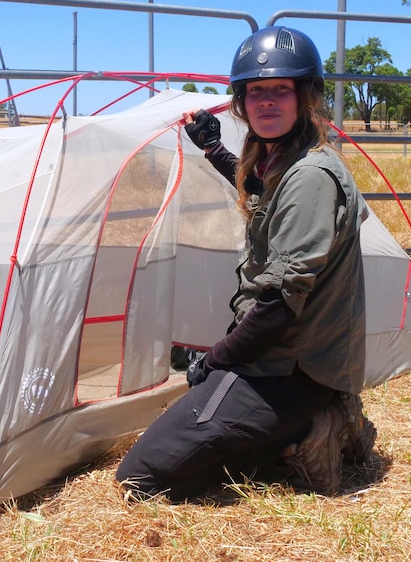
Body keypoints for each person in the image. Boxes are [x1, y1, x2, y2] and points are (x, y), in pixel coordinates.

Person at [115, 26, 376, 502]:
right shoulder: (290, 161)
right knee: (187, 428)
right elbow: (269, 203)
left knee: (141, 477)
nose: (267, 102)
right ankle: (302, 422)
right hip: (290, 357)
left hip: (290, 366)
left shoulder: (312, 177)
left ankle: (313, 433)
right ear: (241, 102)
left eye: (281, 89)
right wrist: (216, 152)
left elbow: (278, 305)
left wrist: (215, 358)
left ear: (306, 97)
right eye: (256, 92)